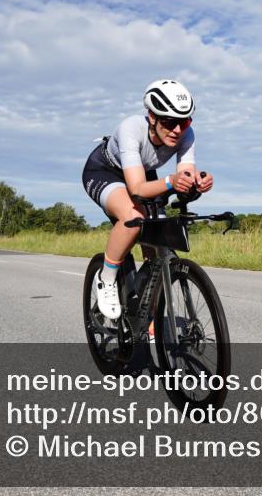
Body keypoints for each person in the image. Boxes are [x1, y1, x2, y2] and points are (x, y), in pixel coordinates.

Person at [81, 79, 213, 320]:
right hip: (105, 172)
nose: (177, 130)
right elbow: (138, 189)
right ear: (152, 117)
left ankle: (147, 315)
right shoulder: (131, 129)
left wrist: (196, 184)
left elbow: (183, 178)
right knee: (134, 217)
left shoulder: (186, 135)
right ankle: (107, 278)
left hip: (142, 172)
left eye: (184, 122)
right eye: (170, 122)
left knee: (158, 244)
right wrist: (172, 182)